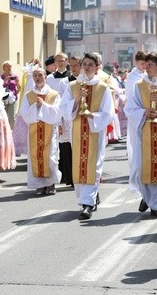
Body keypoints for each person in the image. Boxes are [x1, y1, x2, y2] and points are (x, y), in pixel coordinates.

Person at [60, 53, 114, 220]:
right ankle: (88, 198)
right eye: (85, 64)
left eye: (91, 64)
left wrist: (93, 116)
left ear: (97, 67)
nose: (87, 67)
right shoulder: (73, 86)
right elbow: (63, 108)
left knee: (93, 165)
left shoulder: (102, 88)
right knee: (79, 164)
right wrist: (76, 100)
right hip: (77, 131)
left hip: (94, 131)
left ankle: (88, 204)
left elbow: (108, 113)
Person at [124, 51, 157, 218]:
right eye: (145, 65)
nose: (146, 68)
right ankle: (147, 198)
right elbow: (130, 109)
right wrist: (144, 112)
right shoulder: (138, 85)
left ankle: (156, 204)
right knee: (144, 166)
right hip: (144, 133)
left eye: (150, 65)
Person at [21, 66, 62, 195]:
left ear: (45, 76)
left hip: (50, 130)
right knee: (35, 157)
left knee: (51, 158)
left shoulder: (54, 94)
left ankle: (51, 183)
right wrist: (35, 107)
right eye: (35, 76)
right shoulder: (29, 95)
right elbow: (24, 113)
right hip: (34, 130)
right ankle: (39, 184)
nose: (37, 78)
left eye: (40, 75)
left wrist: (43, 106)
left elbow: (57, 112)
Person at [46, 53, 73, 187]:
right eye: (58, 61)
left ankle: (69, 174)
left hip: (67, 111)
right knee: (57, 146)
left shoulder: (70, 77)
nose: (60, 63)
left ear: (66, 62)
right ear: (55, 62)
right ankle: (59, 173)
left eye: (63, 60)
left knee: (68, 145)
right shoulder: (50, 78)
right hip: (54, 112)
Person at [124, 51, 146, 195]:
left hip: (151, 113)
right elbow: (130, 97)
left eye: (146, 63)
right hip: (137, 114)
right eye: (142, 63)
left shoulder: (149, 75)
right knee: (137, 145)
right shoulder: (131, 78)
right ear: (136, 62)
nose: (144, 66)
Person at [0, 61, 20, 131]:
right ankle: (5, 131)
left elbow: (19, 88)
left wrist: (15, 92)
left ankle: (12, 131)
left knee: (12, 117)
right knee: (4, 117)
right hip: (3, 99)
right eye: (7, 66)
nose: (9, 68)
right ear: (3, 68)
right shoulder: (0, 77)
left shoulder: (15, 76)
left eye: (10, 66)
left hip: (13, 99)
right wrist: (5, 81)